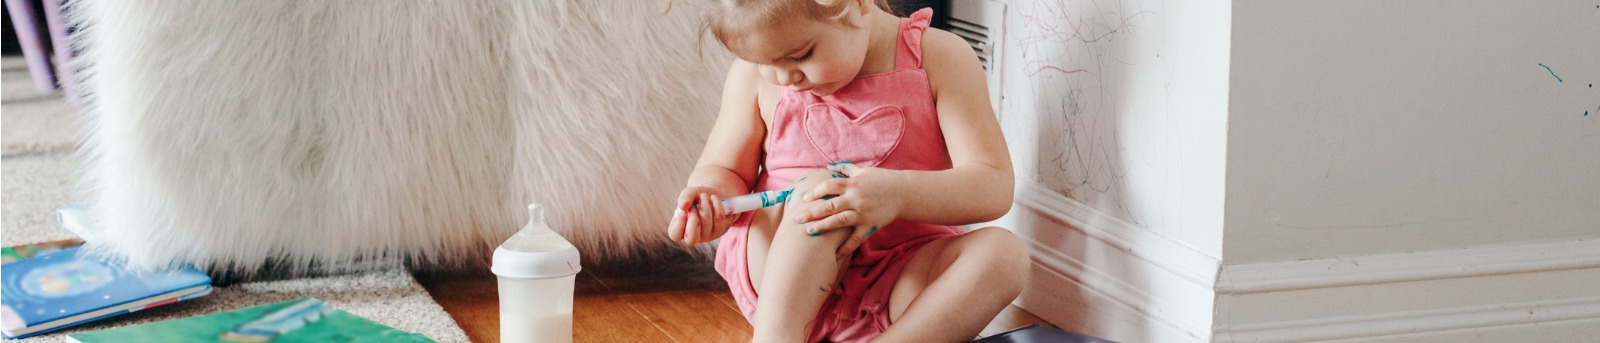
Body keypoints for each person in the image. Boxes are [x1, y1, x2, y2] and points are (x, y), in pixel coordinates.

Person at [665, 0, 1029, 341]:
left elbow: (992, 184)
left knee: (1005, 256)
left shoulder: (939, 57)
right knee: (827, 192)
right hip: (782, 282)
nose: (783, 78)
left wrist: (896, 195)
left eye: (800, 55)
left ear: (856, 3)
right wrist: (710, 194)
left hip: (896, 277)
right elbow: (724, 167)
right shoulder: (759, 77)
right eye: (761, 61)